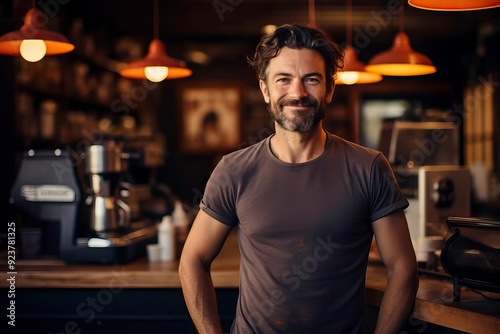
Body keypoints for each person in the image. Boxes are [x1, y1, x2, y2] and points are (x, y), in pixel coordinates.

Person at [179, 24, 418, 334]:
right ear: (265, 89)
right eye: (284, 80)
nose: (298, 92)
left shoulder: (369, 167)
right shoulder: (233, 171)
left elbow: (403, 269)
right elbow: (193, 259)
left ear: (330, 89)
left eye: (312, 79)